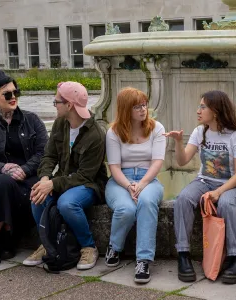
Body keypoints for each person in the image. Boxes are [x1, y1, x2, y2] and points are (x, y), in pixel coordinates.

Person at [165, 91, 236, 284]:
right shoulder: (200, 131)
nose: (198, 111)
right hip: (204, 182)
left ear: (217, 110)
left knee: (226, 205)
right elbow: (182, 160)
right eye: (199, 106)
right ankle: (183, 255)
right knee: (183, 200)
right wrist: (178, 142)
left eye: (203, 107)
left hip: (231, 185)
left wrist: (219, 192)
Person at [22, 81, 107, 271]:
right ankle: (47, 243)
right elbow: (49, 155)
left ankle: (88, 246)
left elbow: (85, 176)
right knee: (36, 195)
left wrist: (53, 184)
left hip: (89, 185)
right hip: (64, 179)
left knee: (67, 203)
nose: (54, 104)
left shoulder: (96, 135)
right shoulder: (61, 123)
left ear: (69, 105)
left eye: (57, 101)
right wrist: (44, 178)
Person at [0, 69, 49, 266]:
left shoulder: (31, 120)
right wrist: (2, 167)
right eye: (7, 94)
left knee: (19, 188)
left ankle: (6, 237)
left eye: (16, 92)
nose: (13, 97)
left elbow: (44, 152)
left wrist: (25, 169)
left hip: (28, 175)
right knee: (0, 184)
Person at [103, 87, 166, 283]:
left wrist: (142, 183)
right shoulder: (113, 132)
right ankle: (115, 246)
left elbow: (157, 162)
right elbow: (114, 167)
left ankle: (144, 260)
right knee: (126, 208)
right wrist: (129, 185)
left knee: (146, 203)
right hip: (120, 180)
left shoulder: (157, 128)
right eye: (137, 106)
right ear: (125, 109)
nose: (142, 110)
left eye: (144, 105)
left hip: (149, 179)